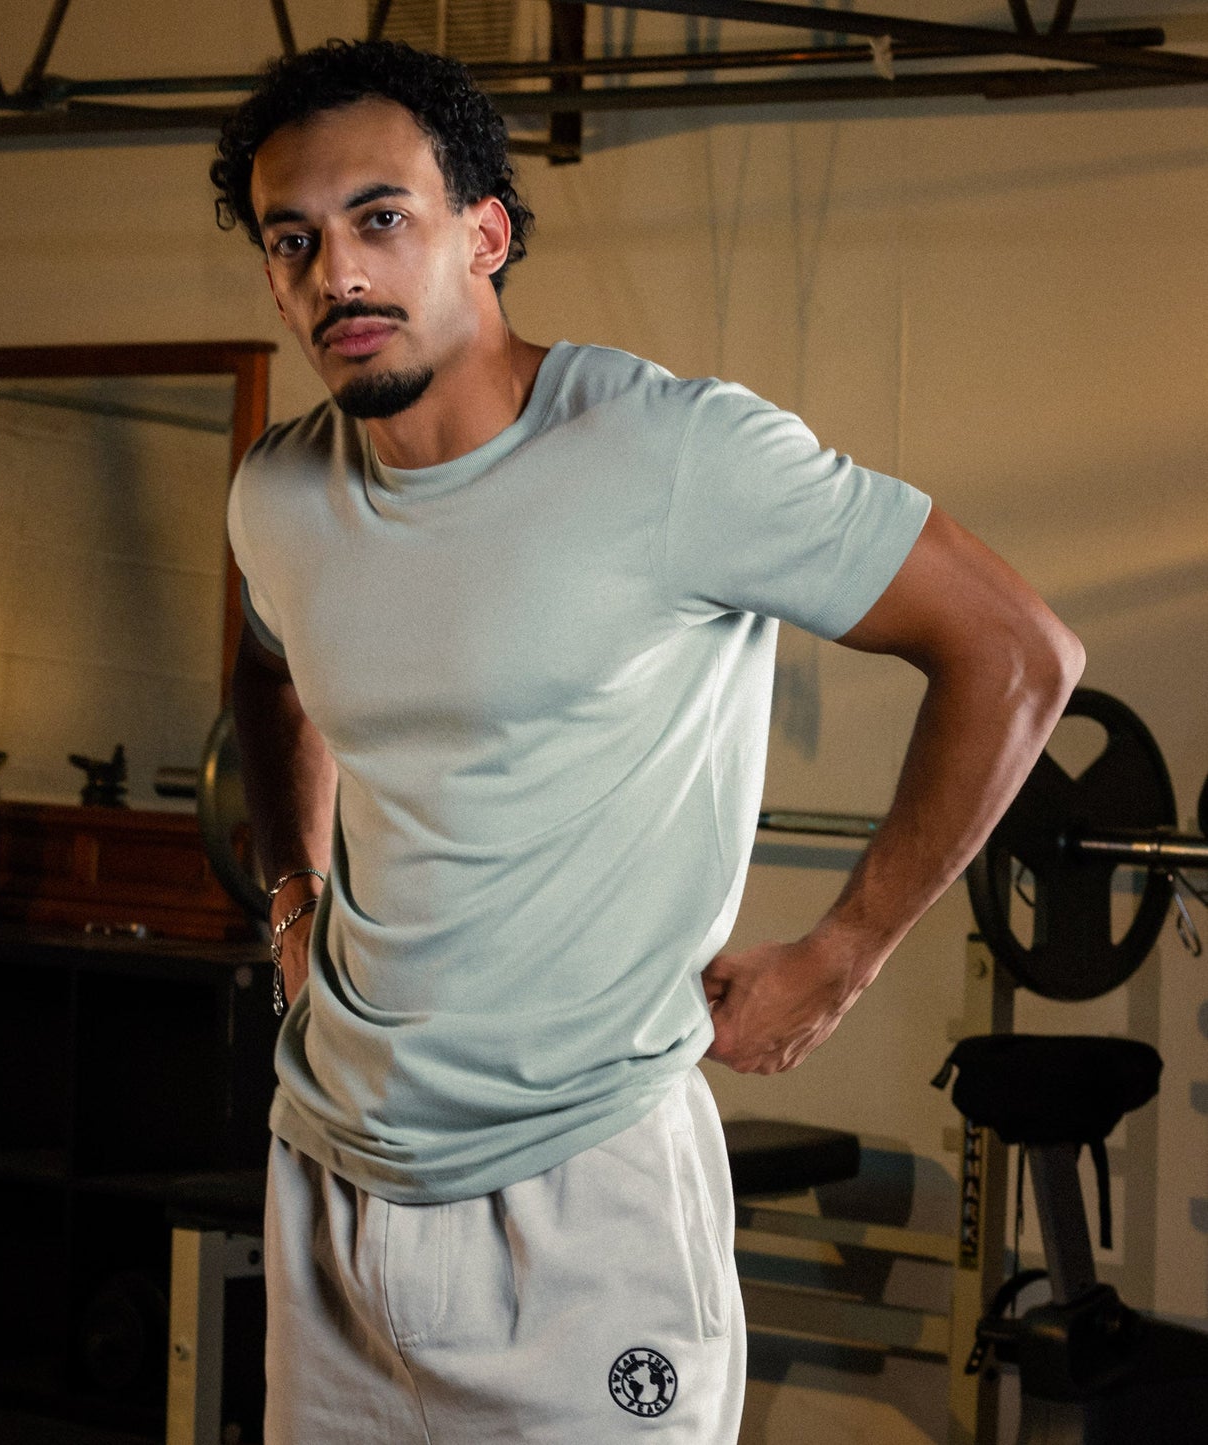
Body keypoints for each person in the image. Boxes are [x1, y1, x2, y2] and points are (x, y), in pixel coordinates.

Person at [211, 38, 1083, 1444]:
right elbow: (268, 672)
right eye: (292, 239)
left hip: (585, 1183)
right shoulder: (279, 490)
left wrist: (842, 954)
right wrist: (293, 886)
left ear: (485, 234)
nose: (337, 275)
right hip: (328, 1171)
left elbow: (1016, 651)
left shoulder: (673, 451)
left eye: (381, 219)